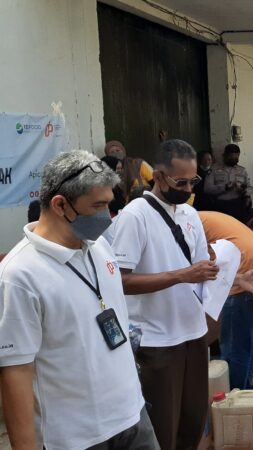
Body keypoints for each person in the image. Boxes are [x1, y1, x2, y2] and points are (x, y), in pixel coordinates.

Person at [0, 150, 157, 450]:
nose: (106, 217)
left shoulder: (99, 247)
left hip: (133, 417)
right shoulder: (20, 276)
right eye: (98, 206)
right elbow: (15, 374)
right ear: (61, 205)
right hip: (75, 438)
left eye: (109, 204)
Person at [113, 139, 218, 450]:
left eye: (193, 180)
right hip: (157, 341)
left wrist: (236, 278)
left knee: (192, 423)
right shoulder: (136, 216)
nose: (188, 188)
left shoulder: (189, 214)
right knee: (162, 431)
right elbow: (121, 281)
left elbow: (201, 269)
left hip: (193, 333)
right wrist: (181, 276)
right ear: (158, 176)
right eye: (181, 181)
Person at [199, 211, 253, 390]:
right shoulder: (201, 217)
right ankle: (246, 393)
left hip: (249, 276)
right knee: (244, 338)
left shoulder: (185, 224)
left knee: (234, 344)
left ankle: (235, 399)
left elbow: (194, 267)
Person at [204, 144, 253, 222]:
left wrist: (244, 191)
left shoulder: (242, 170)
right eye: (231, 157)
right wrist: (225, 187)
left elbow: (250, 188)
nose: (234, 159)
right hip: (220, 206)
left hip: (237, 206)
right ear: (224, 155)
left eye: (236, 157)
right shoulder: (214, 169)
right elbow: (207, 189)